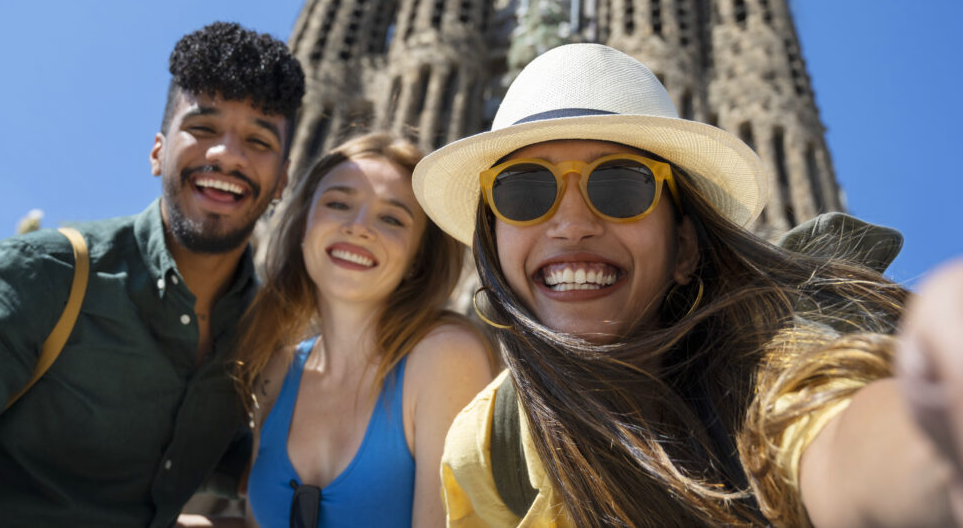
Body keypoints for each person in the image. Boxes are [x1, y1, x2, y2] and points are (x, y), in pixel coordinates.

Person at [412, 42, 963, 526]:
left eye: (622, 187)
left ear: (686, 246)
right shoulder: (492, 443)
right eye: (524, 193)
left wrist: (931, 444)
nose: (572, 223)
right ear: (493, 242)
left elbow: (834, 441)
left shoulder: (769, 359)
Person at [0, 21, 305, 527]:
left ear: (283, 180)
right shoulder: (46, 274)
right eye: (202, 129)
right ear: (158, 151)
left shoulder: (260, 344)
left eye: (259, 140)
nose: (227, 154)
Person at [231, 132, 493, 528]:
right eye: (338, 204)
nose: (358, 227)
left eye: (391, 218)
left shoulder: (443, 357)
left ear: (418, 259)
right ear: (304, 225)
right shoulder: (276, 369)